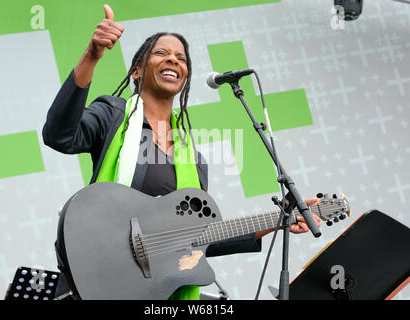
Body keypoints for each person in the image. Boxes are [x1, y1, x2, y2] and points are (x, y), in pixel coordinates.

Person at [42, 5, 320, 300]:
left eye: (181, 58)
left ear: (185, 77)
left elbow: (198, 241)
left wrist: (278, 221)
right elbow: (59, 136)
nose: (173, 58)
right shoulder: (113, 116)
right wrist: (92, 57)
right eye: (161, 53)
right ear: (137, 70)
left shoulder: (194, 163)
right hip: (102, 276)